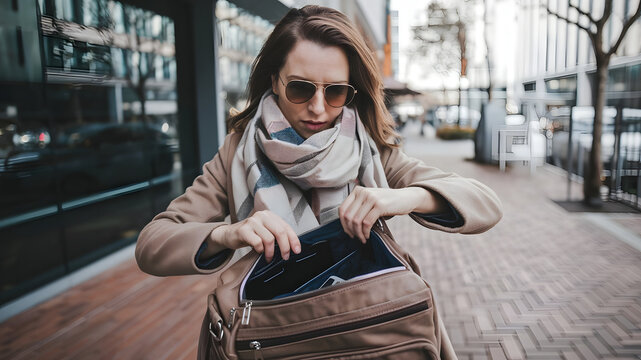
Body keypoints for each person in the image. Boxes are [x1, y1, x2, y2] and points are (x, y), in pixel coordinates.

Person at [135, 5, 502, 359]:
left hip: (364, 339)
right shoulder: (237, 153)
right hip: (277, 338)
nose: (318, 108)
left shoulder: (371, 148)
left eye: (336, 91)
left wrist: (405, 197)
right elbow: (153, 243)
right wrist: (227, 233)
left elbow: (486, 204)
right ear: (275, 81)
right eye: (300, 88)